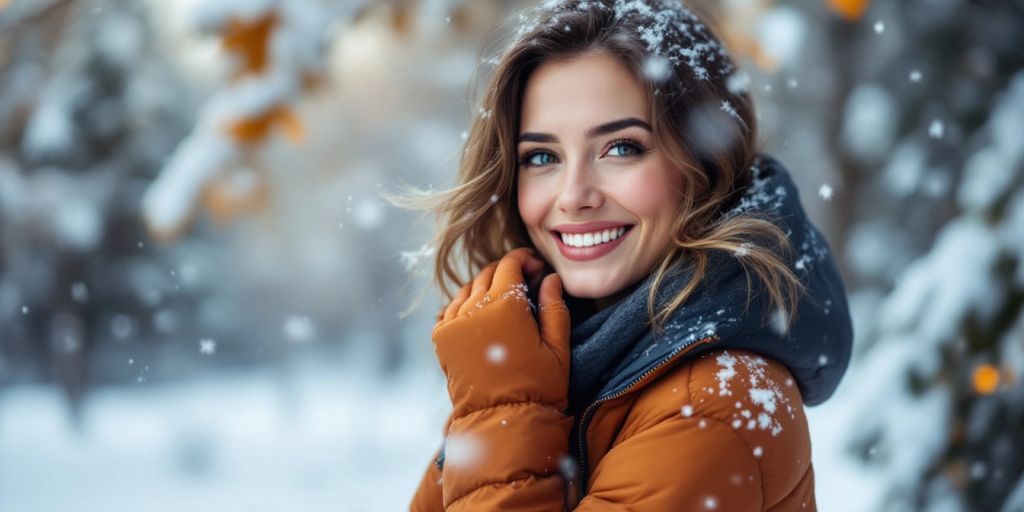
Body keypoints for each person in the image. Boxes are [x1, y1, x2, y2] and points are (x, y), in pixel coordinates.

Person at [403, 0, 853, 510]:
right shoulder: (544, 361)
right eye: (542, 157)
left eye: (621, 148)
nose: (573, 195)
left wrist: (503, 406)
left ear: (705, 164)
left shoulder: (715, 403)